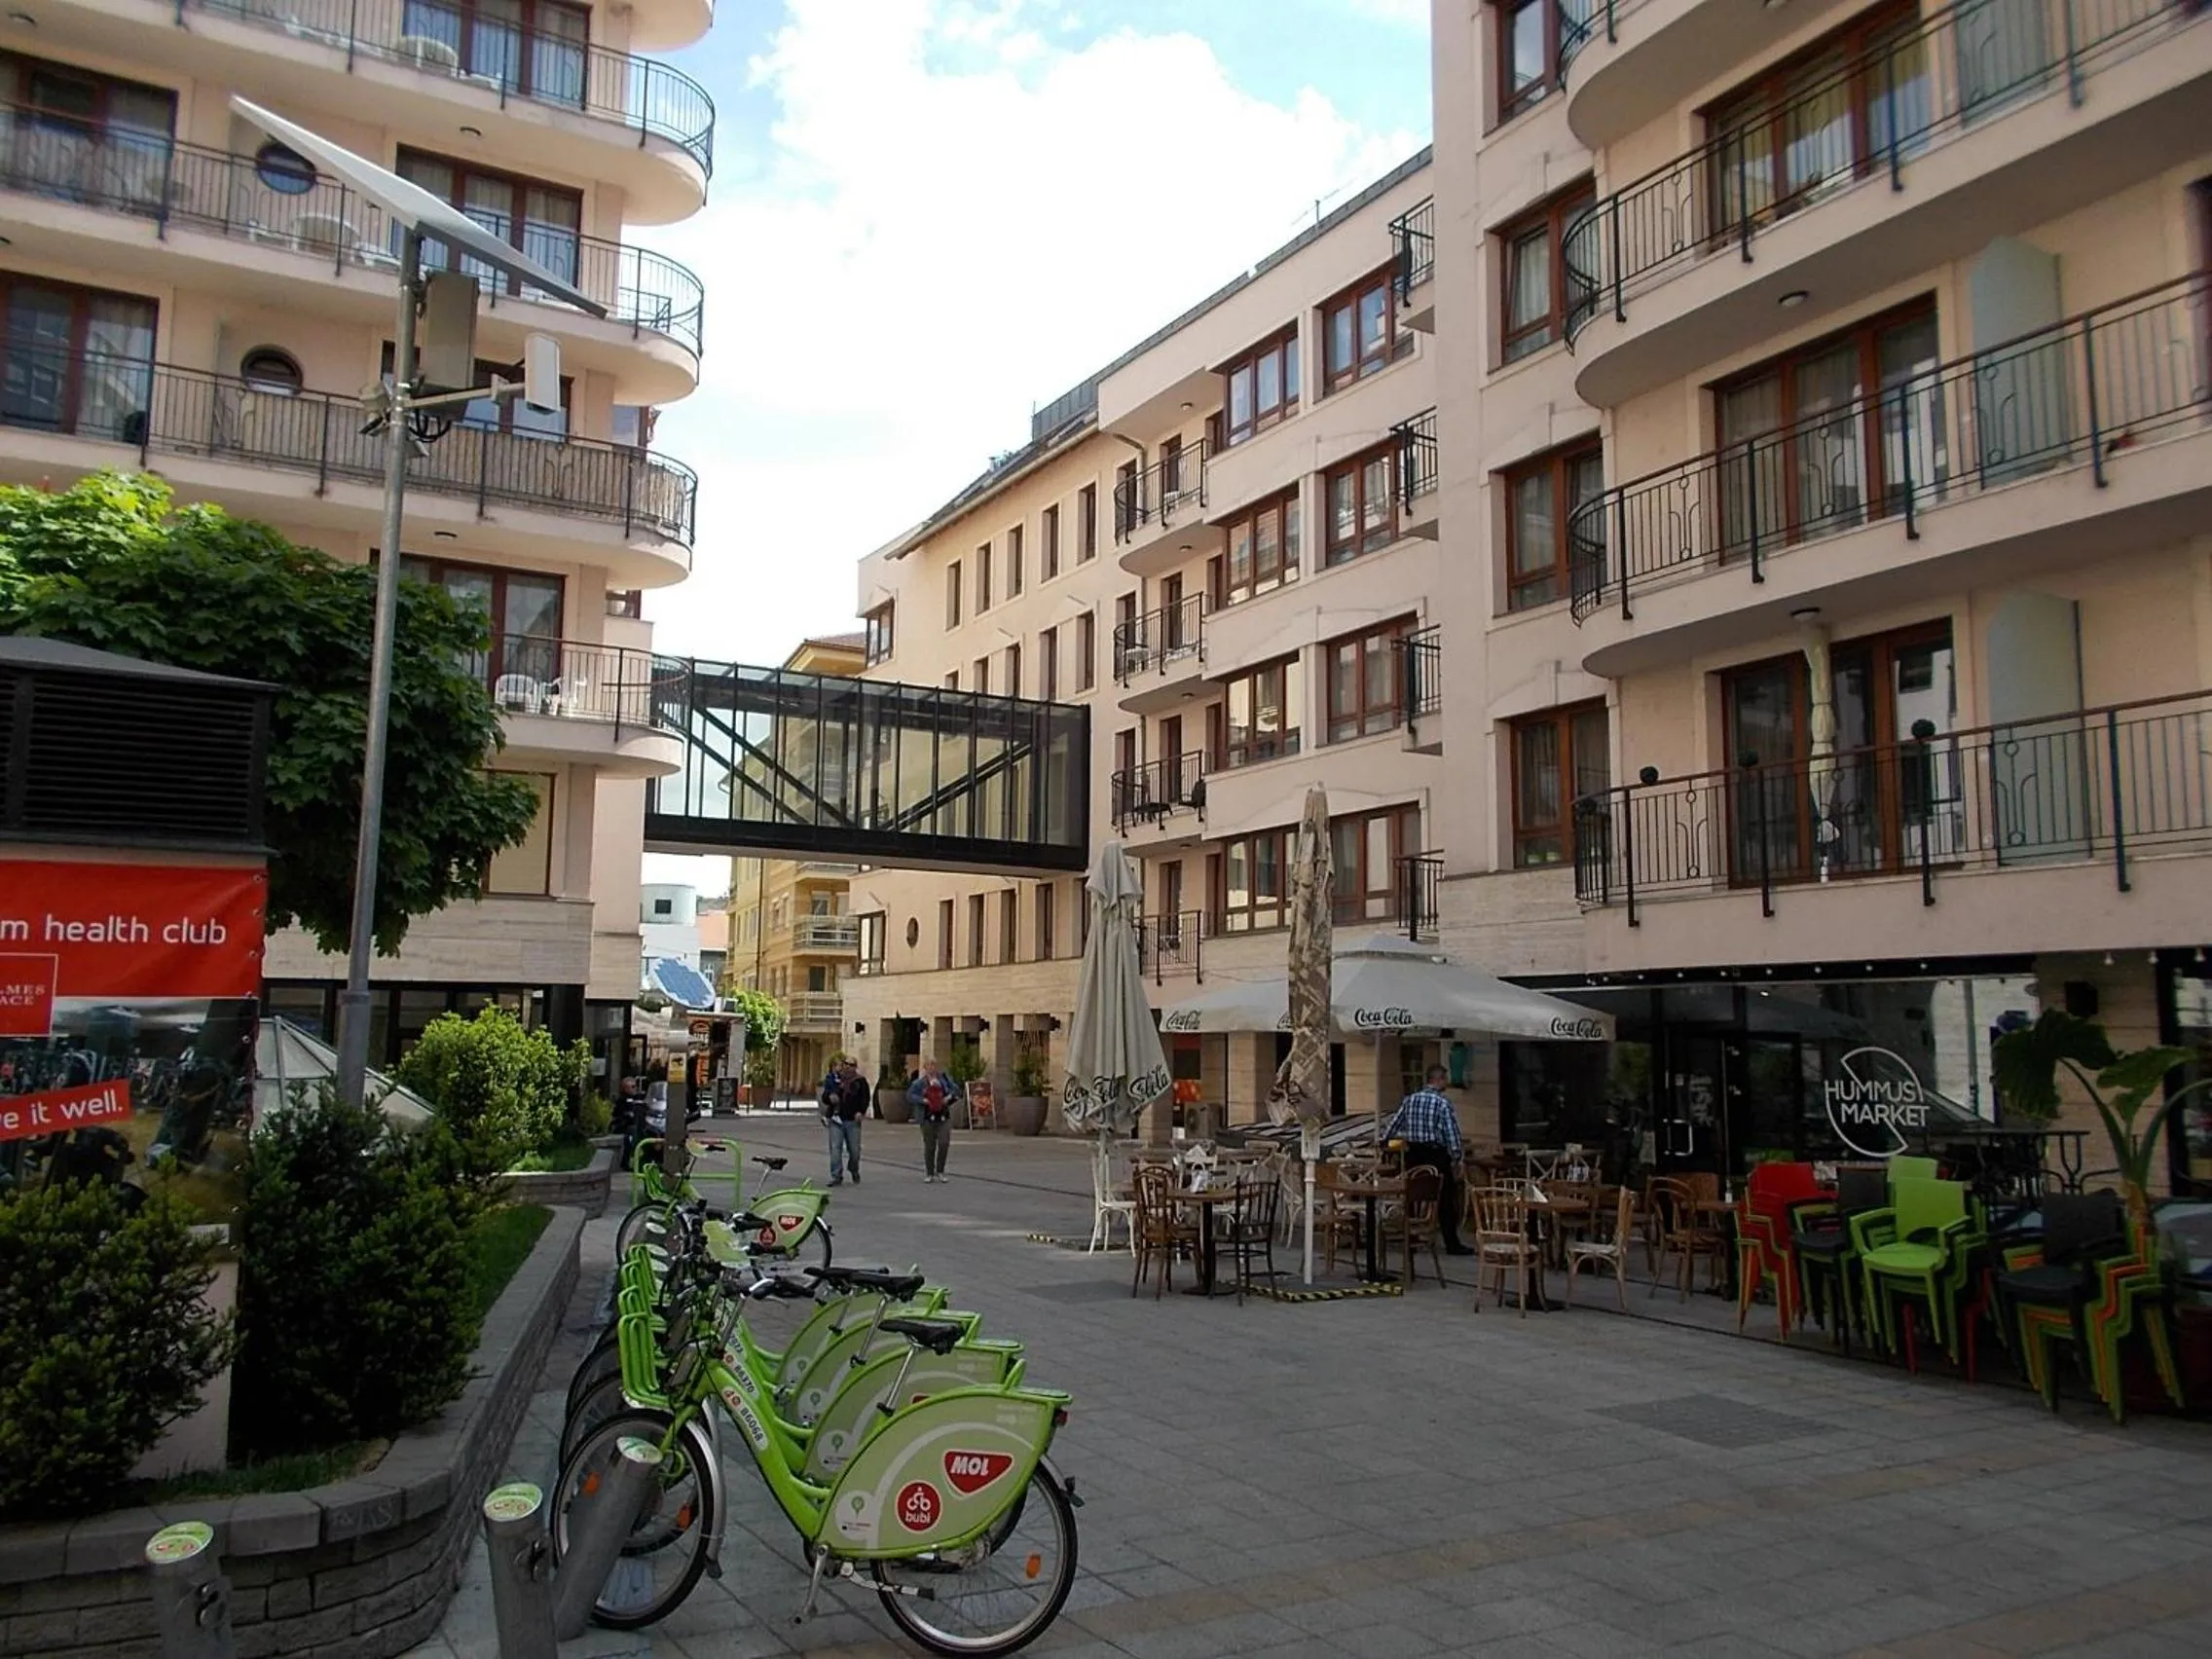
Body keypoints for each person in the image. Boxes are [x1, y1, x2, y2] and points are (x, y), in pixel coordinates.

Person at [1384, 1065, 1472, 1255]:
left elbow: (1393, 1124)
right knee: (1444, 1198)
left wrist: (1387, 1141)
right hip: (1436, 1154)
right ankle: (1452, 1243)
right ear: (1438, 1080)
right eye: (1444, 1079)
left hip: (1414, 1153)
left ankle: (1411, 1236)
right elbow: (1451, 1133)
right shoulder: (1442, 1103)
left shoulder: (1410, 1100)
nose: (1446, 1083)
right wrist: (1457, 1156)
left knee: (1412, 1195)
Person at [906, 1058, 961, 1183]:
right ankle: (929, 1172)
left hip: (943, 1116)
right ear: (925, 1068)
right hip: (927, 1117)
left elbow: (956, 1090)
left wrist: (949, 1097)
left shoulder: (944, 1080)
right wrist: (923, 1100)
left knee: (944, 1143)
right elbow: (910, 1095)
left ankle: (940, 1170)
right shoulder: (920, 1083)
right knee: (930, 1146)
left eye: (934, 1065)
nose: (932, 1068)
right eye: (929, 1065)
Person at [819, 1056, 869, 1186]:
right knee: (835, 1148)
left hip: (852, 1120)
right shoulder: (835, 1080)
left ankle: (853, 1169)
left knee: (855, 1150)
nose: (848, 1067)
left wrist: (861, 1112)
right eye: (846, 1064)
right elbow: (825, 1096)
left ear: (855, 1067)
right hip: (836, 1119)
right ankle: (836, 1175)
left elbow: (865, 1098)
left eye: (851, 1065)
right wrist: (830, 1098)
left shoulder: (860, 1081)